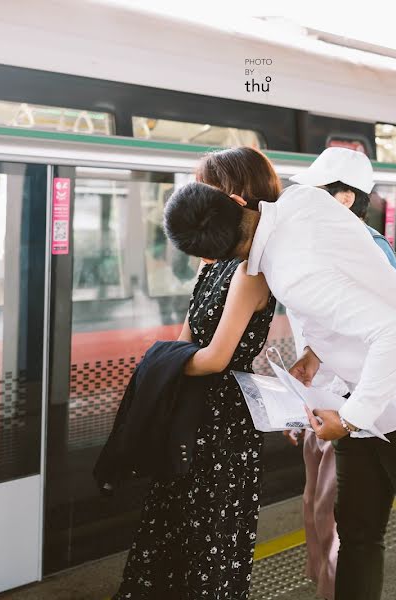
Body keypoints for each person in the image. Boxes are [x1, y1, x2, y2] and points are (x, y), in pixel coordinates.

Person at [164, 153, 396, 600]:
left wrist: (349, 419)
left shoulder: (292, 272)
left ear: (207, 256)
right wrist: (316, 357)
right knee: (357, 533)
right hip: (361, 399)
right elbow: (355, 284)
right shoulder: (301, 203)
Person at [114, 147, 279, 600]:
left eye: (200, 185)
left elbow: (215, 357)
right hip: (191, 413)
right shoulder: (214, 260)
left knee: (209, 537)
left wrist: (158, 361)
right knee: (172, 530)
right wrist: (171, 358)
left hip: (223, 422)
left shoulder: (251, 270)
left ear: (233, 195)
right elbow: (189, 341)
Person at [281, 147, 396, 600]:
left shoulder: (371, 250)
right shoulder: (316, 245)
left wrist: (355, 410)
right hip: (320, 398)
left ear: (345, 199)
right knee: (315, 507)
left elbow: (388, 332)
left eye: (315, 194)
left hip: (350, 403)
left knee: (334, 516)